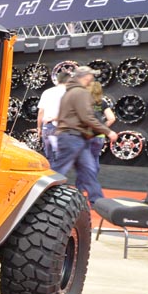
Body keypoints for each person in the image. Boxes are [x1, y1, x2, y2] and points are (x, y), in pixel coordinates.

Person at [51, 66, 118, 207]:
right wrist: (108, 131)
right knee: (59, 170)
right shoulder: (80, 92)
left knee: (88, 171)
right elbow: (87, 117)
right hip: (72, 137)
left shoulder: (70, 92)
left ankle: (98, 202)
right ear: (86, 76)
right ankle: (41, 197)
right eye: (91, 76)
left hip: (74, 137)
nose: (92, 79)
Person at [36, 71, 69, 161]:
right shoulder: (69, 94)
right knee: (61, 157)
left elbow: (41, 111)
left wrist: (39, 127)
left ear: (57, 80)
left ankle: (51, 169)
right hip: (64, 127)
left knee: (49, 156)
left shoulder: (47, 92)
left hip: (48, 126)